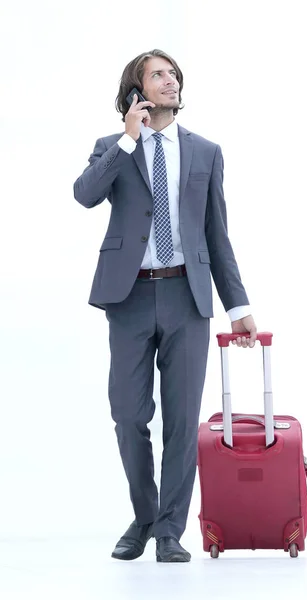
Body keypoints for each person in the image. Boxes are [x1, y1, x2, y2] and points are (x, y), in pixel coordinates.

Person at [73, 49, 257, 563]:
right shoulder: (114, 146)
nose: (169, 81)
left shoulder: (206, 152)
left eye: (173, 74)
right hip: (128, 296)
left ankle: (171, 530)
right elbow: (84, 195)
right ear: (136, 91)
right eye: (157, 75)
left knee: (181, 420)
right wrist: (130, 139)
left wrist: (238, 304)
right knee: (128, 415)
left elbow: (217, 236)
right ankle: (145, 516)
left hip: (187, 296)